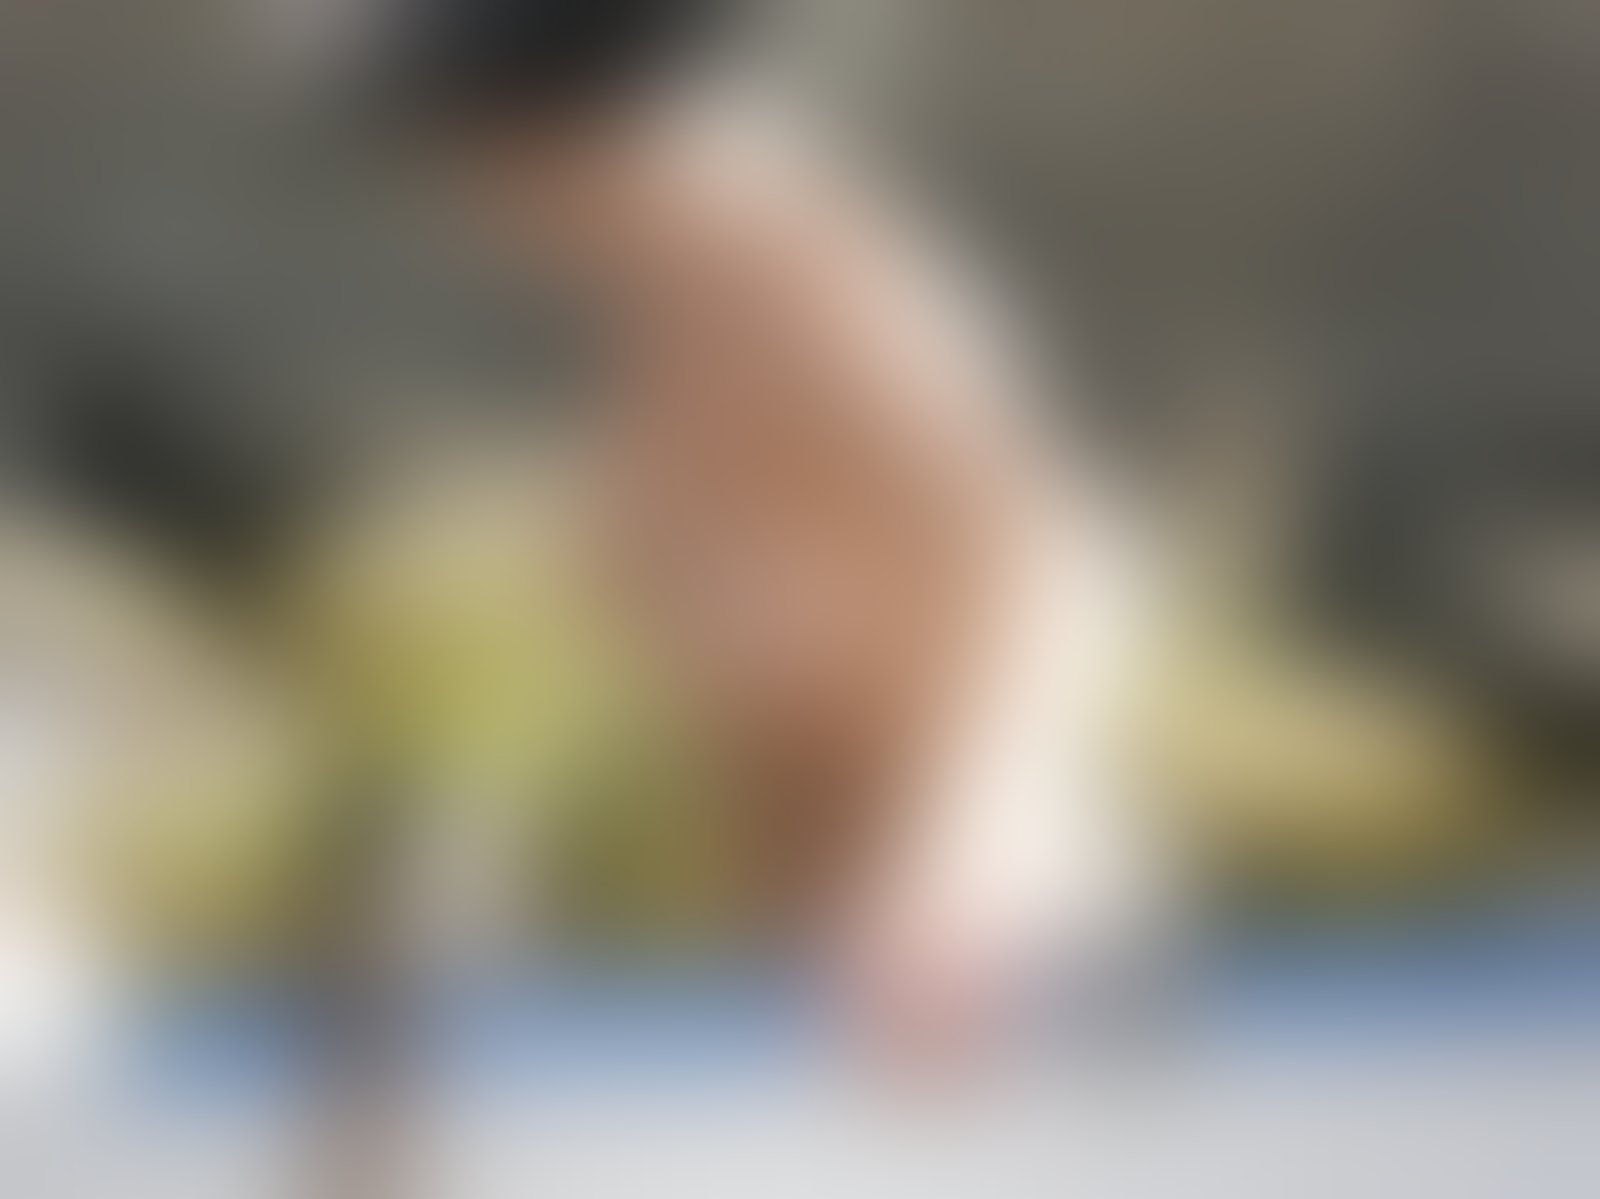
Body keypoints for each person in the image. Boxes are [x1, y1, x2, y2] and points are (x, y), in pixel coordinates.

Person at [373, 0, 1157, 1060]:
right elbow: (644, 616)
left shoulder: (790, 267)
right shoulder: (661, 294)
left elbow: (1020, 545)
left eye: (448, 141)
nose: (450, 193)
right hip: (823, 917)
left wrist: (954, 842)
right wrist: (500, 834)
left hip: (960, 932)